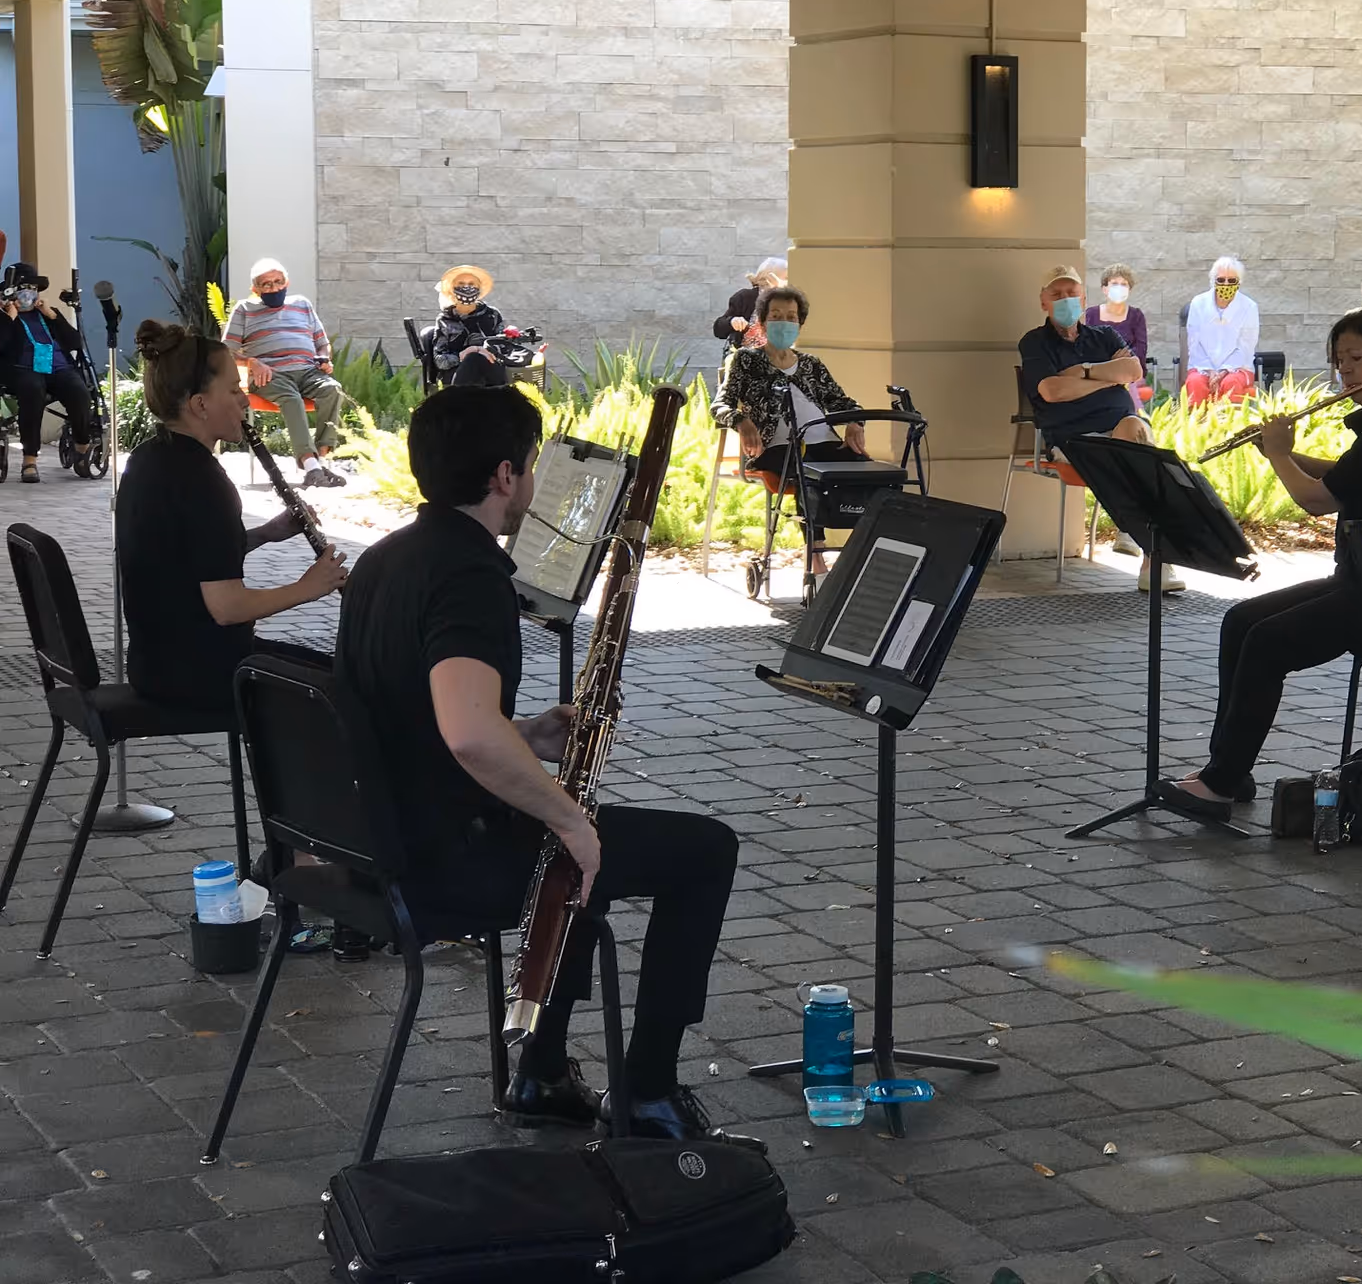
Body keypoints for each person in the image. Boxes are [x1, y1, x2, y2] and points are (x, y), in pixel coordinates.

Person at [335, 386, 748, 1142]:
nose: (529, 479)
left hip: (373, 837)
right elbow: (465, 737)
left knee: (581, 850)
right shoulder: (470, 576)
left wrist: (524, 732)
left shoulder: (387, 557)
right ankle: (651, 1091)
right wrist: (569, 818)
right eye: (528, 465)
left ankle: (544, 1071)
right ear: (503, 477)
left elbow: (418, 716)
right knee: (700, 851)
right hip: (440, 857)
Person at [118, 319, 359, 955]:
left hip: (161, 656)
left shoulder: (154, 459)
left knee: (322, 680)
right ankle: (314, 881)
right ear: (199, 405)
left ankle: (296, 865)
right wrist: (313, 583)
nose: (243, 401)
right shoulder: (202, 481)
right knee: (331, 695)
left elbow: (190, 560)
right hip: (198, 666)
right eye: (232, 389)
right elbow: (224, 606)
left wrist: (265, 534)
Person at [1155, 307, 1362, 820]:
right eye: (1340, 361)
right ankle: (1227, 771)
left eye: (1357, 359)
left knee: (1268, 643)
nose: (1347, 373)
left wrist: (1278, 456)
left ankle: (1220, 783)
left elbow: (1317, 500)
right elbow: (1348, 477)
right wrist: (1284, 450)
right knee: (1240, 619)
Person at [1017, 264, 1179, 591]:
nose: (1065, 300)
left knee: (1136, 432)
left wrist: (1084, 373)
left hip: (1120, 428)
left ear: (1083, 298)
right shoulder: (1035, 342)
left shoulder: (1105, 335)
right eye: (1057, 295)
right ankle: (1153, 553)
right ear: (1043, 302)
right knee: (1132, 464)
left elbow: (1133, 370)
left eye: (1071, 294)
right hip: (1073, 440)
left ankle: (1145, 547)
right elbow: (1052, 391)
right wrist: (1107, 380)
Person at [712, 286, 869, 575]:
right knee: (807, 471)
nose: (784, 322)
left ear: (800, 324)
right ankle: (816, 556)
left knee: (872, 476)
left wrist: (855, 422)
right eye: (776, 316)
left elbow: (844, 402)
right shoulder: (746, 361)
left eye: (791, 317)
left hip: (823, 442)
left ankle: (868, 556)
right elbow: (719, 405)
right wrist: (742, 422)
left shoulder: (811, 365)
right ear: (762, 322)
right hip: (776, 448)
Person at [224, 258, 346, 488]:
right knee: (291, 399)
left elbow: (322, 343)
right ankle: (310, 466)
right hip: (269, 375)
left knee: (332, 390)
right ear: (255, 289)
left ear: (286, 282)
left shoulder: (302, 304)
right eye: (266, 284)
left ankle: (320, 461)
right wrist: (251, 362)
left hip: (308, 371)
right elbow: (225, 351)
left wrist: (324, 358)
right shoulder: (244, 310)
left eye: (278, 282)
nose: (273, 288)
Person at [0, 263, 97, 484]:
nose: (29, 293)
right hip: (22, 370)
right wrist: (9, 318)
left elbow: (75, 343)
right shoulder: (4, 316)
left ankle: (81, 447)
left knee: (79, 392)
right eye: (24, 288)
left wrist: (52, 315)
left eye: (33, 288)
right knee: (33, 389)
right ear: (11, 291)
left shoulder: (47, 314)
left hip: (58, 368)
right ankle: (30, 460)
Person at [1183, 257, 1259, 407]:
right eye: (1221, 280)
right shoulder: (1198, 303)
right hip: (1202, 366)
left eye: (1231, 280)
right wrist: (1211, 371)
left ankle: (1232, 428)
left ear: (1239, 282)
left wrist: (1224, 371)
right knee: (1196, 382)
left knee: (1231, 382)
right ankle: (1197, 427)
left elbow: (1246, 346)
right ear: (1213, 281)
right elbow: (1194, 343)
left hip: (1238, 368)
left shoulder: (1249, 307)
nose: (1226, 284)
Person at [431, 265, 509, 388]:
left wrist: (481, 351)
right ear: (452, 289)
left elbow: (504, 347)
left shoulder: (492, 315)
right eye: (461, 284)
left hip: (490, 371)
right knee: (472, 359)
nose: (466, 288)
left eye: (472, 284)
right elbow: (440, 360)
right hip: (456, 374)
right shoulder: (445, 319)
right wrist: (466, 354)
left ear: (479, 289)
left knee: (477, 359)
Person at [1096, 264, 1151, 407]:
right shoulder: (1091, 314)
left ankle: (1133, 419)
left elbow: (1140, 349)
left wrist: (1121, 365)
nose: (1119, 287)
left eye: (1124, 284)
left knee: (1128, 389)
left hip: (1129, 373)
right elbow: (1088, 346)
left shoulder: (1136, 316)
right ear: (1105, 289)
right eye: (1114, 283)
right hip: (1098, 372)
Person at [711, 257, 786, 353]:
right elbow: (719, 329)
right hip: (747, 359)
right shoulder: (745, 297)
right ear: (769, 277)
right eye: (786, 278)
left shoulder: (791, 300)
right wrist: (732, 321)